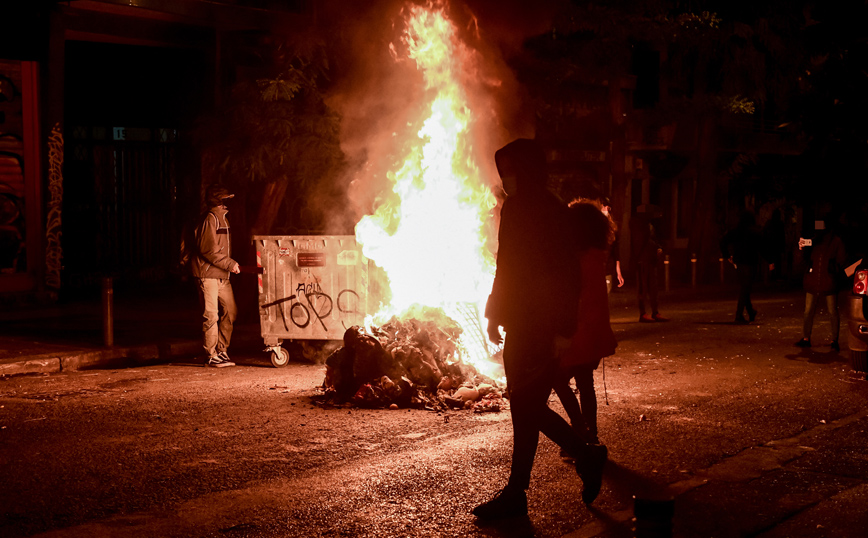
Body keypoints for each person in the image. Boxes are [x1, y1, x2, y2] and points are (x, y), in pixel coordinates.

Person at [474, 139, 606, 520]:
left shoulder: (535, 210)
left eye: (512, 170)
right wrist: (497, 313)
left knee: (525, 404)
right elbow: (512, 268)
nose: (506, 178)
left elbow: (556, 272)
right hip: (527, 320)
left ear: (526, 169)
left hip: (536, 324)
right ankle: (519, 491)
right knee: (525, 405)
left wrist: (559, 326)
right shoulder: (535, 206)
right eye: (504, 171)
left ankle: (582, 455)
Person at [552, 200, 616, 503]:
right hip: (594, 332)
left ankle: (581, 436)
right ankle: (590, 434)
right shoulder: (597, 256)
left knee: (557, 380)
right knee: (585, 384)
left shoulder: (575, 259)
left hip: (578, 332)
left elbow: (573, 298)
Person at [193, 185, 241, 367]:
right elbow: (207, 250)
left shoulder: (222, 219)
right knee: (211, 315)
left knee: (231, 312)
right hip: (208, 275)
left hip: (222, 275)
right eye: (226, 200)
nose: (229, 203)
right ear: (218, 202)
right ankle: (211, 355)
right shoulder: (210, 219)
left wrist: (228, 268)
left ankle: (222, 350)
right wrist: (230, 264)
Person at [795, 216, 846, 351]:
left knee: (829, 311)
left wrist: (833, 271)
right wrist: (801, 248)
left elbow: (841, 261)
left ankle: (832, 340)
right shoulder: (815, 241)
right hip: (817, 280)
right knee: (814, 311)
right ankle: (816, 339)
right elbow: (802, 261)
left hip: (825, 280)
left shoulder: (833, 241)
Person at [720, 210, 772, 324]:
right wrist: (770, 260)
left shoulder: (736, 231)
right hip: (751, 262)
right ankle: (739, 315)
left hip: (739, 262)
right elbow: (762, 248)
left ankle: (749, 311)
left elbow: (723, 241)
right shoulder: (754, 233)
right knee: (746, 288)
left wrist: (727, 255)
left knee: (745, 287)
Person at [630, 209, 668, 323]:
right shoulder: (639, 227)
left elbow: (652, 240)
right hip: (643, 261)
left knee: (653, 288)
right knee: (643, 288)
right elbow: (642, 243)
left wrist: (658, 248)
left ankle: (654, 312)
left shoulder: (648, 226)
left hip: (650, 260)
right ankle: (643, 313)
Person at [600, 197, 624, 293]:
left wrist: (618, 272)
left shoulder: (612, 228)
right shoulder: (594, 226)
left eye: (608, 207)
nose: (606, 209)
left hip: (607, 270)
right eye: (604, 207)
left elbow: (615, 251)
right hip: (596, 269)